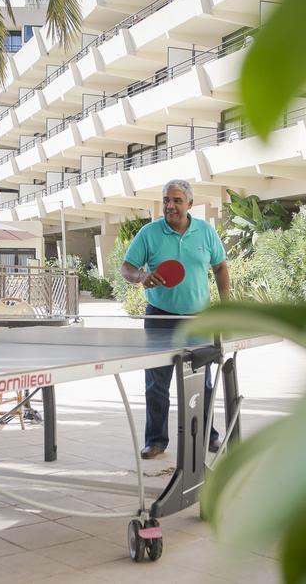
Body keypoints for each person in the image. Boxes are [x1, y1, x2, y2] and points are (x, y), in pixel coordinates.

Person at [121, 179, 230, 460]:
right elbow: (127, 267)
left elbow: (219, 267)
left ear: (189, 204)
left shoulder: (205, 232)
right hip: (159, 318)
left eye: (177, 200)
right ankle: (156, 440)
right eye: (167, 200)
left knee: (202, 382)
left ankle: (209, 435)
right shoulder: (149, 233)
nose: (170, 205)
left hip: (198, 319)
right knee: (157, 383)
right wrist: (141, 277)